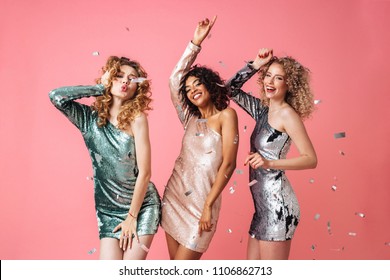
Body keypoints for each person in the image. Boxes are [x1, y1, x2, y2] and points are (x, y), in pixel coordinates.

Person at [49, 56, 161, 260]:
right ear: (109, 79)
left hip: (141, 206)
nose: (125, 81)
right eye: (119, 76)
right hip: (108, 209)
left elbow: (145, 173)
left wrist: (132, 217)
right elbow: (56, 96)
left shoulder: (138, 119)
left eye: (132, 78)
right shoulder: (87, 120)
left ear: (137, 88)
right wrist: (99, 88)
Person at [227, 48, 317, 260]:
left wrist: (268, 162)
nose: (271, 81)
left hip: (278, 206)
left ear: (289, 84)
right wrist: (255, 65)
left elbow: (310, 159)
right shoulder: (263, 110)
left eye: (279, 78)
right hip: (262, 207)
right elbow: (229, 90)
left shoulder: (287, 114)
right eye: (268, 75)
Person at [161, 16, 239, 260]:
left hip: (204, 204)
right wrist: (195, 43)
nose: (192, 90)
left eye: (197, 85)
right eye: (188, 90)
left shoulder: (227, 116)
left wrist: (208, 206)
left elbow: (229, 163)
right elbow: (174, 80)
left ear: (208, 86)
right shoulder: (189, 119)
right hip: (175, 198)